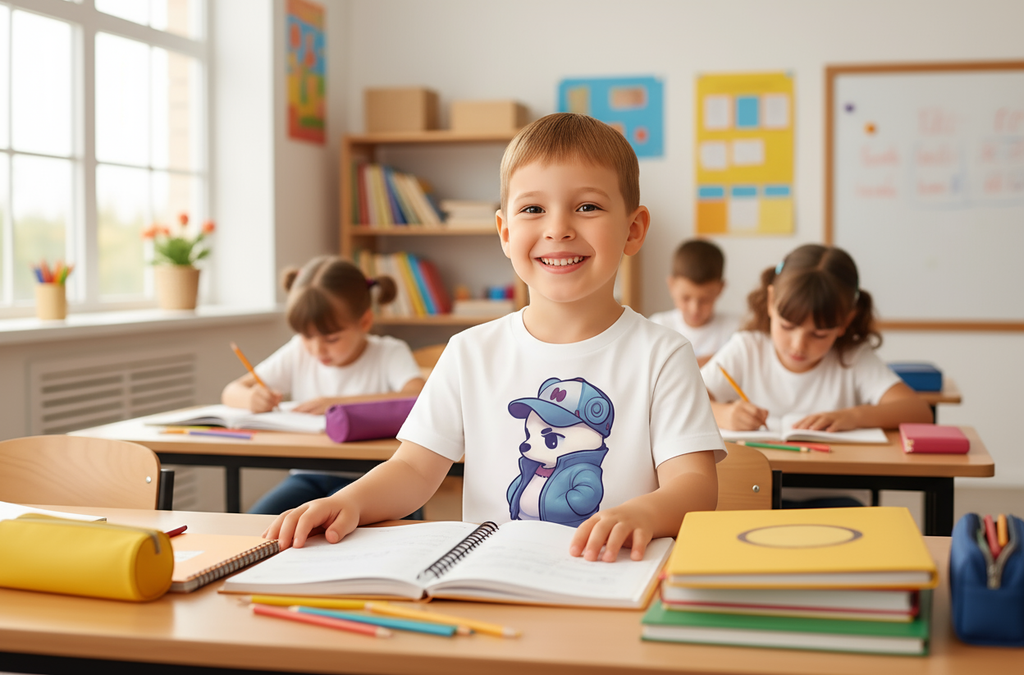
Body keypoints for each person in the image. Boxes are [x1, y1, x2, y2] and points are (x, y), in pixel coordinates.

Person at [266, 113, 725, 562]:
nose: (558, 228)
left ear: (634, 228)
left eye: (587, 206)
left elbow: (695, 485)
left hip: (611, 580)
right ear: (505, 232)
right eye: (533, 209)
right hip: (491, 580)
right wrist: (351, 501)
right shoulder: (470, 352)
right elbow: (413, 469)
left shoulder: (664, 355)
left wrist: (643, 511)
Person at [701, 244, 932, 506]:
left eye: (819, 334)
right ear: (770, 302)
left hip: (836, 499)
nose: (798, 345)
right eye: (787, 326)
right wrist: (723, 413)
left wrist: (853, 416)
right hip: (753, 496)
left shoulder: (852, 357)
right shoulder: (746, 348)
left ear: (846, 320)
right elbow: (686, 399)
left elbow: (918, 411)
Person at [222, 256, 425, 514]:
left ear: (364, 322)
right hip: (309, 475)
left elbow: (417, 396)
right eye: (307, 336)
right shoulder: (299, 351)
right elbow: (231, 391)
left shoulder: (389, 352)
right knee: (255, 525)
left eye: (331, 338)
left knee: (334, 527)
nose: (317, 349)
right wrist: (252, 398)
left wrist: (339, 405)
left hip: (372, 477)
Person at [649, 238, 740, 366]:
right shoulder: (656, 327)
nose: (694, 308)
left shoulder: (736, 331)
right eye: (686, 298)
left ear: (720, 289)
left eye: (705, 300)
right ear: (671, 286)